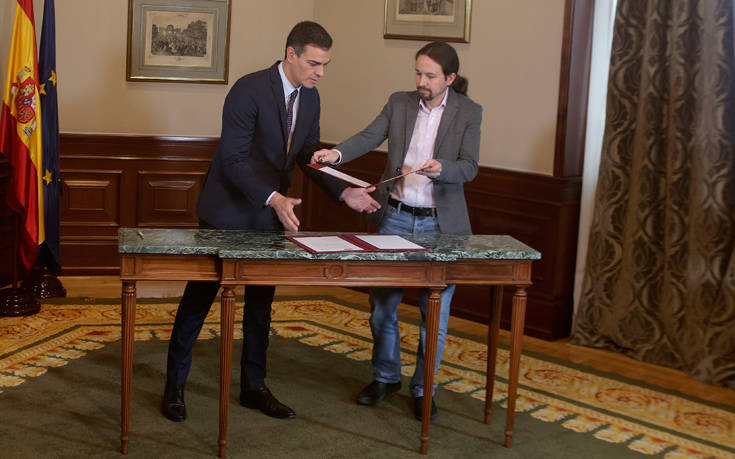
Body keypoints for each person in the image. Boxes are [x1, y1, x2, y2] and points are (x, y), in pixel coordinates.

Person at [162, 21, 372, 423]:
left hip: (269, 215)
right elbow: (233, 160)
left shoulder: (311, 97)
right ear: (291, 54)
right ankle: (174, 387)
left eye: (325, 65)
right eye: (314, 63)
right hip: (226, 213)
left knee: (260, 309)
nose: (320, 73)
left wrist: (343, 192)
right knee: (197, 304)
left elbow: (308, 154)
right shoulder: (248, 89)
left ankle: (254, 388)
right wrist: (275, 198)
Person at [311, 41, 481, 421]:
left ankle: (423, 389)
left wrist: (444, 170)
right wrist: (335, 155)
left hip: (441, 226)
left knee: (433, 315)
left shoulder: (470, 112)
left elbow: (469, 166)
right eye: (418, 72)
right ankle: (386, 378)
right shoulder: (399, 102)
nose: (421, 81)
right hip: (395, 218)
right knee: (381, 308)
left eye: (430, 76)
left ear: (450, 78)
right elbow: (369, 136)